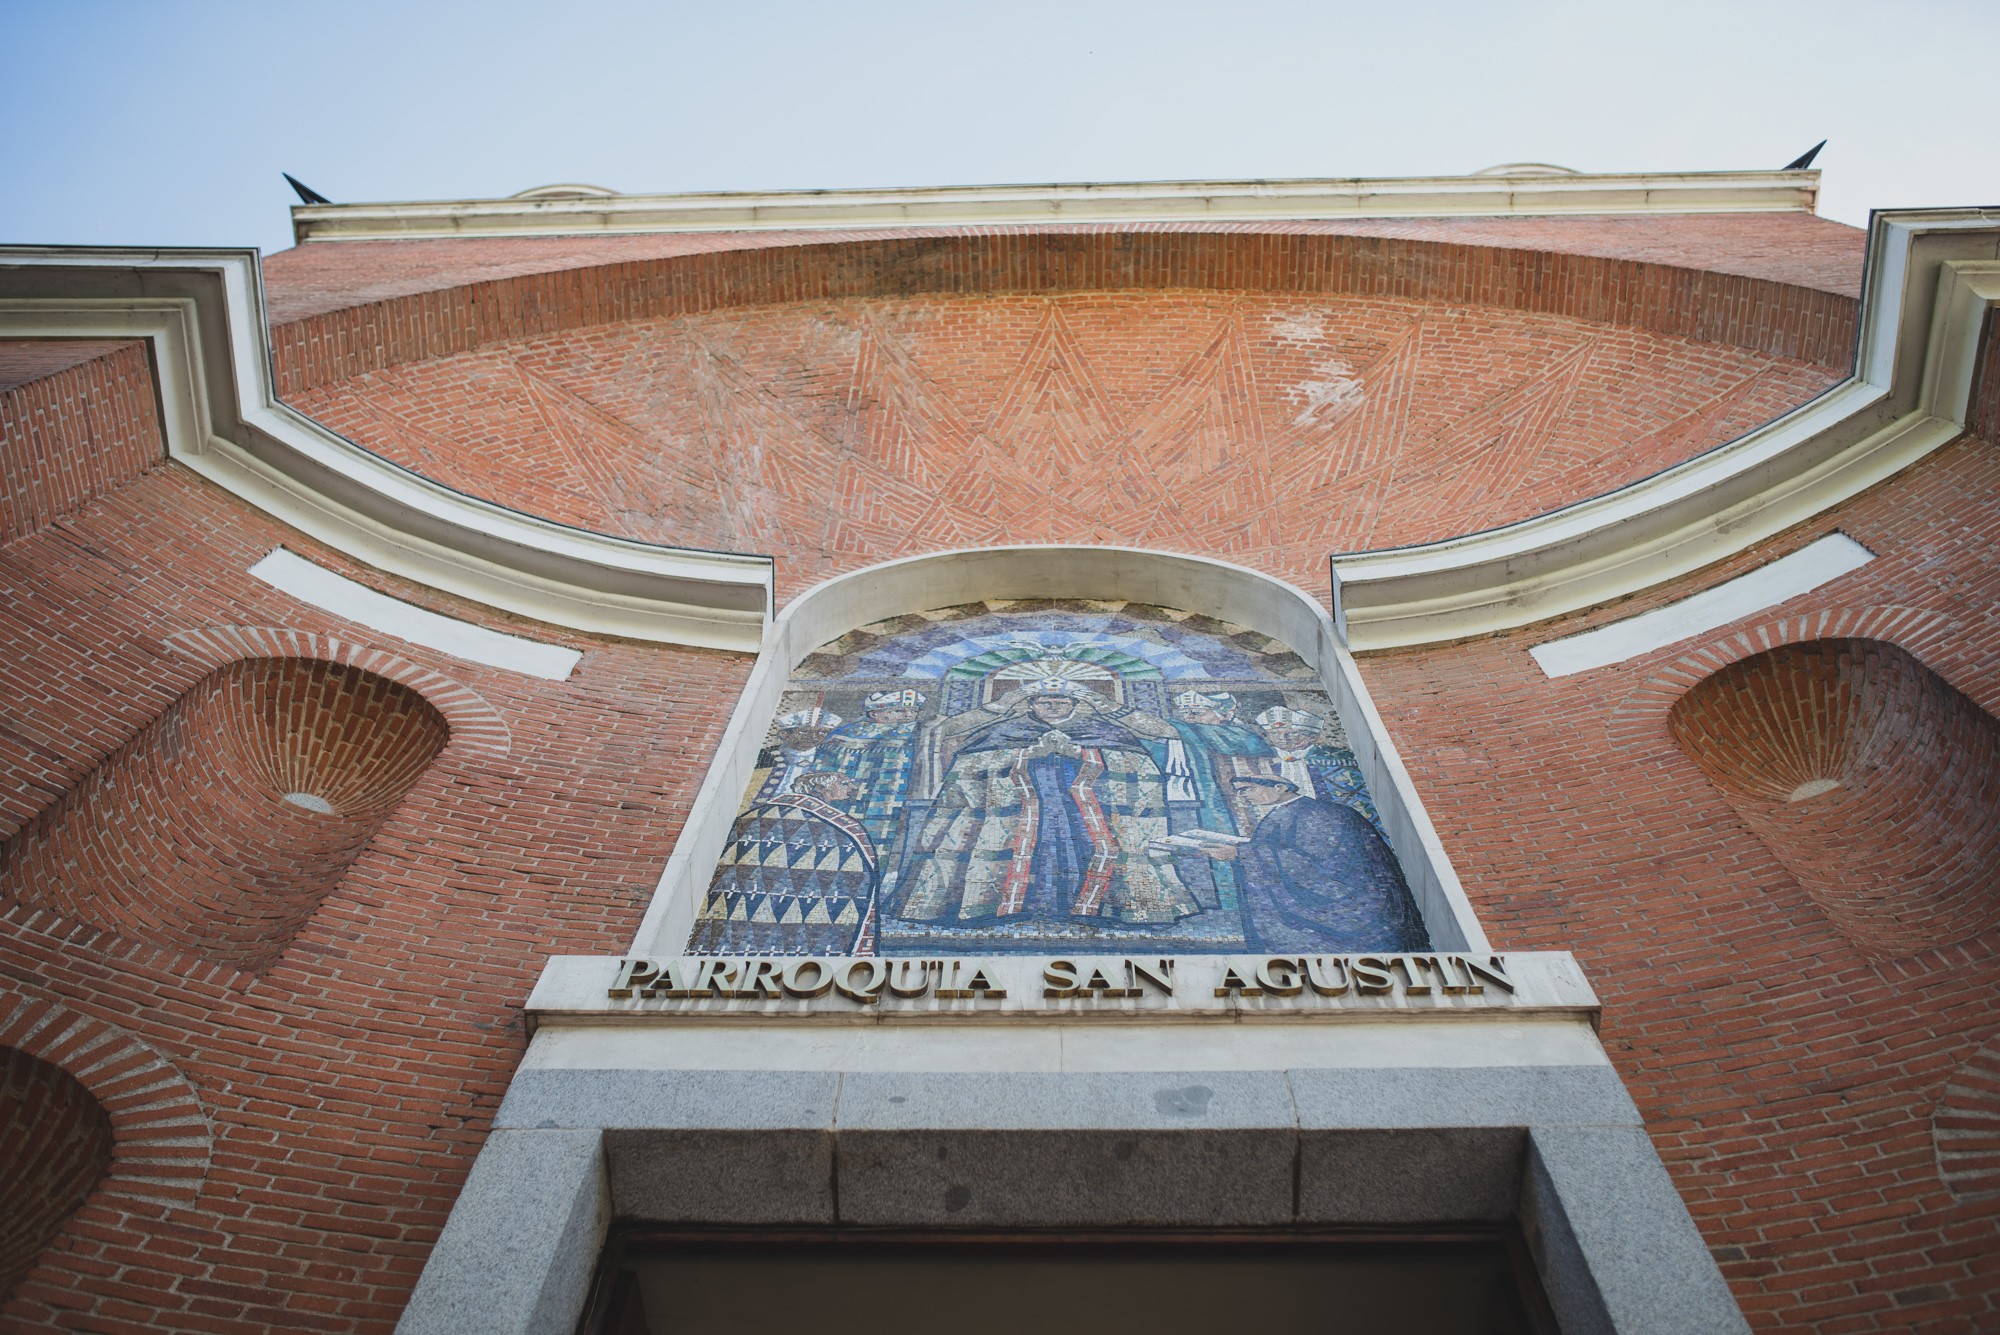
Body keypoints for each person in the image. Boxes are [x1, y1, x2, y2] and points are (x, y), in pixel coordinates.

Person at [892, 680, 1199, 927]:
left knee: (1086, 849)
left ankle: (1099, 909)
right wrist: (1025, 754)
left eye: (1061, 702)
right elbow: (969, 767)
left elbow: (1139, 767)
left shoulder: (1104, 731)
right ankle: (1000, 907)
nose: (1052, 707)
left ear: (1076, 705)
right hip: (1021, 812)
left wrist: (1082, 753)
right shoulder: (1005, 730)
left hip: (1083, 811)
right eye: (1044, 702)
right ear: (1030, 704)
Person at [1197, 775, 1428, 952]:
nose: (1243, 796)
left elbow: (1318, 863)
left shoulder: (1318, 813)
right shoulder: (1282, 813)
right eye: (1239, 792)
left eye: (1249, 789)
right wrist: (1243, 852)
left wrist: (1241, 854)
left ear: (1280, 788)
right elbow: (1276, 852)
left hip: (1351, 901)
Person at [692, 770, 881, 956]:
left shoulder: (757, 813)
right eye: (844, 783)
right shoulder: (838, 827)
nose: (852, 788)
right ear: (821, 787)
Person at [823, 689, 925, 853]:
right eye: (897, 711)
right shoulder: (854, 733)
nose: (906, 715)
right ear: (873, 714)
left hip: (891, 796)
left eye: (913, 711)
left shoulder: (911, 732)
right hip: (862, 794)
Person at [1254, 705, 1384, 832]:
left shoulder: (1339, 758)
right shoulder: (1260, 759)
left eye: (1293, 734)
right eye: (1274, 733)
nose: (1283, 739)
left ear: (1312, 736)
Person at [749, 707, 843, 803]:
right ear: (784, 734)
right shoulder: (765, 756)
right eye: (804, 731)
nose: (813, 738)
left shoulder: (829, 760)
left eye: (822, 732)